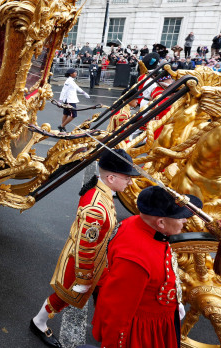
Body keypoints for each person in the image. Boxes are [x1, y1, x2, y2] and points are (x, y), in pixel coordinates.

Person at [30, 149, 139, 347]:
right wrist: (84, 278)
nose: (130, 182)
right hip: (82, 264)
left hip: (97, 261)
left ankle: (106, 329)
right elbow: (85, 248)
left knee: (106, 292)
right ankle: (38, 322)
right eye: (127, 178)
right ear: (112, 178)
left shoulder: (102, 192)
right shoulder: (97, 209)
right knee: (63, 297)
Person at [92, 185, 203, 347]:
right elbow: (118, 312)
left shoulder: (140, 225)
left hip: (160, 316)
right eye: (180, 217)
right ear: (161, 222)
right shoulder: (135, 259)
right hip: (142, 332)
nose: (185, 220)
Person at [58, 68, 89, 132]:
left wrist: (84, 93)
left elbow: (77, 88)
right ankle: (61, 126)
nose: (76, 73)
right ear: (71, 74)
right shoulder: (68, 81)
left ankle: (62, 127)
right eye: (75, 72)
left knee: (66, 114)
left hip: (69, 100)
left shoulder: (71, 81)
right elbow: (63, 91)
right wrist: (60, 101)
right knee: (73, 115)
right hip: (70, 100)